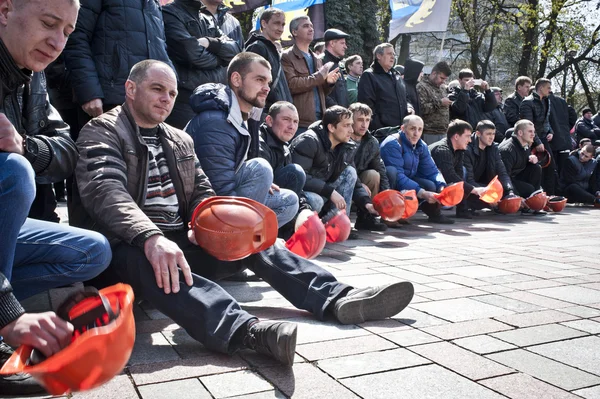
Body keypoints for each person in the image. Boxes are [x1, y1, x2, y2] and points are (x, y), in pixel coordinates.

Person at [72, 59, 415, 367]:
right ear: (131, 89)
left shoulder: (179, 139)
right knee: (154, 258)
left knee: (253, 238)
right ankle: (246, 332)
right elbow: (106, 191)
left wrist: (207, 222)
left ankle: (337, 297)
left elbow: (202, 192)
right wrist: (151, 237)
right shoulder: (101, 131)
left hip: (176, 241)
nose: (166, 98)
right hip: (123, 249)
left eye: (172, 93)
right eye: (157, 89)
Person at [0, 0, 112, 394]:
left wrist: (25, 145)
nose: (57, 42)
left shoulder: (34, 74)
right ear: (4, 10)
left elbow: (68, 151)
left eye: (67, 32)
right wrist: (8, 315)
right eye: (49, 23)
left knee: (94, 251)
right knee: (14, 175)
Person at [186, 53, 298, 228]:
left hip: (227, 197)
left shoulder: (245, 116)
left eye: (268, 82)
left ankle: (252, 241)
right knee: (261, 168)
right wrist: (257, 181)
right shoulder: (217, 121)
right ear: (237, 79)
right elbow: (218, 192)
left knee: (289, 201)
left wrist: (258, 186)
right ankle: (237, 241)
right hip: (206, 209)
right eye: (260, 80)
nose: (267, 88)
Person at [63, 0, 174, 131]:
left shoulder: (153, 3)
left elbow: (160, 48)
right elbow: (76, 38)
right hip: (107, 101)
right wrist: (89, 93)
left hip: (145, 106)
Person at [290, 106, 384, 233]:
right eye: (346, 126)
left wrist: (367, 204)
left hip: (323, 191)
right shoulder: (308, 141)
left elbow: (354, 181)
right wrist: (330, 192)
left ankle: (338, 226)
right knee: (316, 201)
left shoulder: (345, 145)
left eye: (351, 125)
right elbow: (300, 178)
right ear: (331, 127)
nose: (351, 130)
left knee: (350, 172)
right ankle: (303, 231)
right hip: (300, 195)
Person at [162, 0, 241, 129]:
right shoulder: (170, 13)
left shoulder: (207, 16)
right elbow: (193, 55)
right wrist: (220, 60)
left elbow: (235, 52)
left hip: (215, 99)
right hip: (186, 100)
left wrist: (210, 43)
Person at [380, 116, 454, 224]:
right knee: (391, 171)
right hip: (389, 182)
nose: (416, 133)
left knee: (431, 185)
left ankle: (434, 214)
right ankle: (388, 214)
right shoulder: (392, 143)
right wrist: (422, 192)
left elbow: (432, 170)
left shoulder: (421, 145)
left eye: (420, 129)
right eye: (412, 129)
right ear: (402, 129)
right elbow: (398, 176)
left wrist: (442, 187)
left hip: (407, 178)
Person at [281, 16, 339, 133]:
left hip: (320, 121)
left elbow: (320, 91)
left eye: (311, 26)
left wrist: (328, 83)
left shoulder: (317, 58)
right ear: (294, 32)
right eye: (306, 26)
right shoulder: (286, 56)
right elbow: (291, 85)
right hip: (299, 122)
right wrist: (319, 76)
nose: (311, 29)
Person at [429, 120, 488, 218]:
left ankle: (462, 210)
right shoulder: (442, 150)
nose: (470, 140)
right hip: (428, 181)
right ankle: (435, 213)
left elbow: (459, 177)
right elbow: (450, 176)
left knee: (463, 172)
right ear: (456, 137)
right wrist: (474, 190)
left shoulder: (460, 150)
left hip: (443, 180)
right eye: (467, 136)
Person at [348, 103, 389, 230]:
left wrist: (387, 194)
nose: (364, 124)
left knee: (373, 175)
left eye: (367, 120)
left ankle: (366, 218)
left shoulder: (372, 142)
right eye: (360, 120)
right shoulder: (343, 137)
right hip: (343, 178)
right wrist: (359, 184)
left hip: (360, 178)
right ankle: (343, 221)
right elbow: (345, 166)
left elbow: (380, 168)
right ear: (350, 120)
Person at [245, 8, 293, 117]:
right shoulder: (257, 47)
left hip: (277, 112)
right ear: (264, 23)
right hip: (265, 114)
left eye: (283, 24)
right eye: (276, 23)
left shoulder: (271, 49)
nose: (280, 29)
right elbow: (253, 85)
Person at [357, 43, 412, 132]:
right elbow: (367, 106)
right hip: (382, 132)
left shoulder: (397, 75)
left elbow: (406, 97)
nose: (393, 57)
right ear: (379, 56)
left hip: (400, 130)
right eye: (389, 53)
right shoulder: (369, 75)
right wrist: (379, 128)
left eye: (394, 54)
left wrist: (409, 107)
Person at [464, 120, 515, 210]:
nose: (492, 137)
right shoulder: (467, 149)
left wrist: (510, 192)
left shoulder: (494, 148)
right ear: (478, 134)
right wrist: (488, 195)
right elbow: (469, 179)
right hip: (472, 187)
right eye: (488, 134)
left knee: (508, 195)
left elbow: (502, 172)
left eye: (493, 134)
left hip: (486, 185)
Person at [259, 102, 306, 197]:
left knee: (312, 202)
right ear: (270, 121)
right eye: (286, 119)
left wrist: (305, 208)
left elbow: (297, 187)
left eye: (295, 122)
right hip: (257, 197)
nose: (291, 126)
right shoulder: (259, 141)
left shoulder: (284, 147)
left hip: (276, 195)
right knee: (295, 172)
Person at [520, 78, 558, 195]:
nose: (550, 91)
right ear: (541, 88)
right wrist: (537, 142)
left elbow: (547, 120)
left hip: (543, 137)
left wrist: (550, 132)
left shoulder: (547, 100)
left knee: (551, 167)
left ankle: (549, 196)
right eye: (548, 88)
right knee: (536, 168)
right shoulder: (527, 102)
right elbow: (528, 125)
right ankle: (536, 196)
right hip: (530, 140)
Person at [499, 120, 544, 213]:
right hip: (504, 183)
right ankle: (526, 202)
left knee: (536, 168)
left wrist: (532, 159)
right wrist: (516, 196)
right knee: (529, 189)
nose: (533, 135)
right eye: (530, 131)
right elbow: (503, 176)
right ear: (520, 133)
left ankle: (534, 200)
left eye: (534, 131)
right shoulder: (507, 150)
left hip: (515, 177)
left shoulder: (525, 145)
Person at [417, 61, 452, 144]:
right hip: (429, 132)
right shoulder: (422, 87)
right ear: (434, 73)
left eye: (445, 79)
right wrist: (440, 103)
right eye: (442, 78)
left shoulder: (442, 88)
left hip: (443, 132)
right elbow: (422, 108)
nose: (443, 81)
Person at [548, 92, 578, 175]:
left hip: (552, 141)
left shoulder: (545, 101)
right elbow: (572, 114)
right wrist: (566, 127)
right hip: (564, 140)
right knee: (563, 169)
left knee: (553, 169)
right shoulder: (562, 101)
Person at [322, 28, 350, 107]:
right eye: (342, 43)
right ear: (332, 43)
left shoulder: (339, 64)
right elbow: (320, 92)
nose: (345, 47)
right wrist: (337, 110)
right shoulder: (321, 61)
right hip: (332, 116)